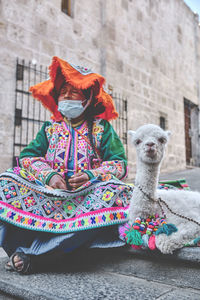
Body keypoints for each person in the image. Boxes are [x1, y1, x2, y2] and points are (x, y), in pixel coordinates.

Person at [0, 56, 132, 274]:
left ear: (88, 98)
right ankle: (18, 249)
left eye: (74, 91)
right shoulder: (50, 128)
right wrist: (49, 176)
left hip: (86, 199)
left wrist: (91, 175)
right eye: (63, 91)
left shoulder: (102, 129)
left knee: (117, 193)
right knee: (6, 182)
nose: (66, 95)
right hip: (47, 195)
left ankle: (38, 257)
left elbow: (119, 164)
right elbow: (27, 157)